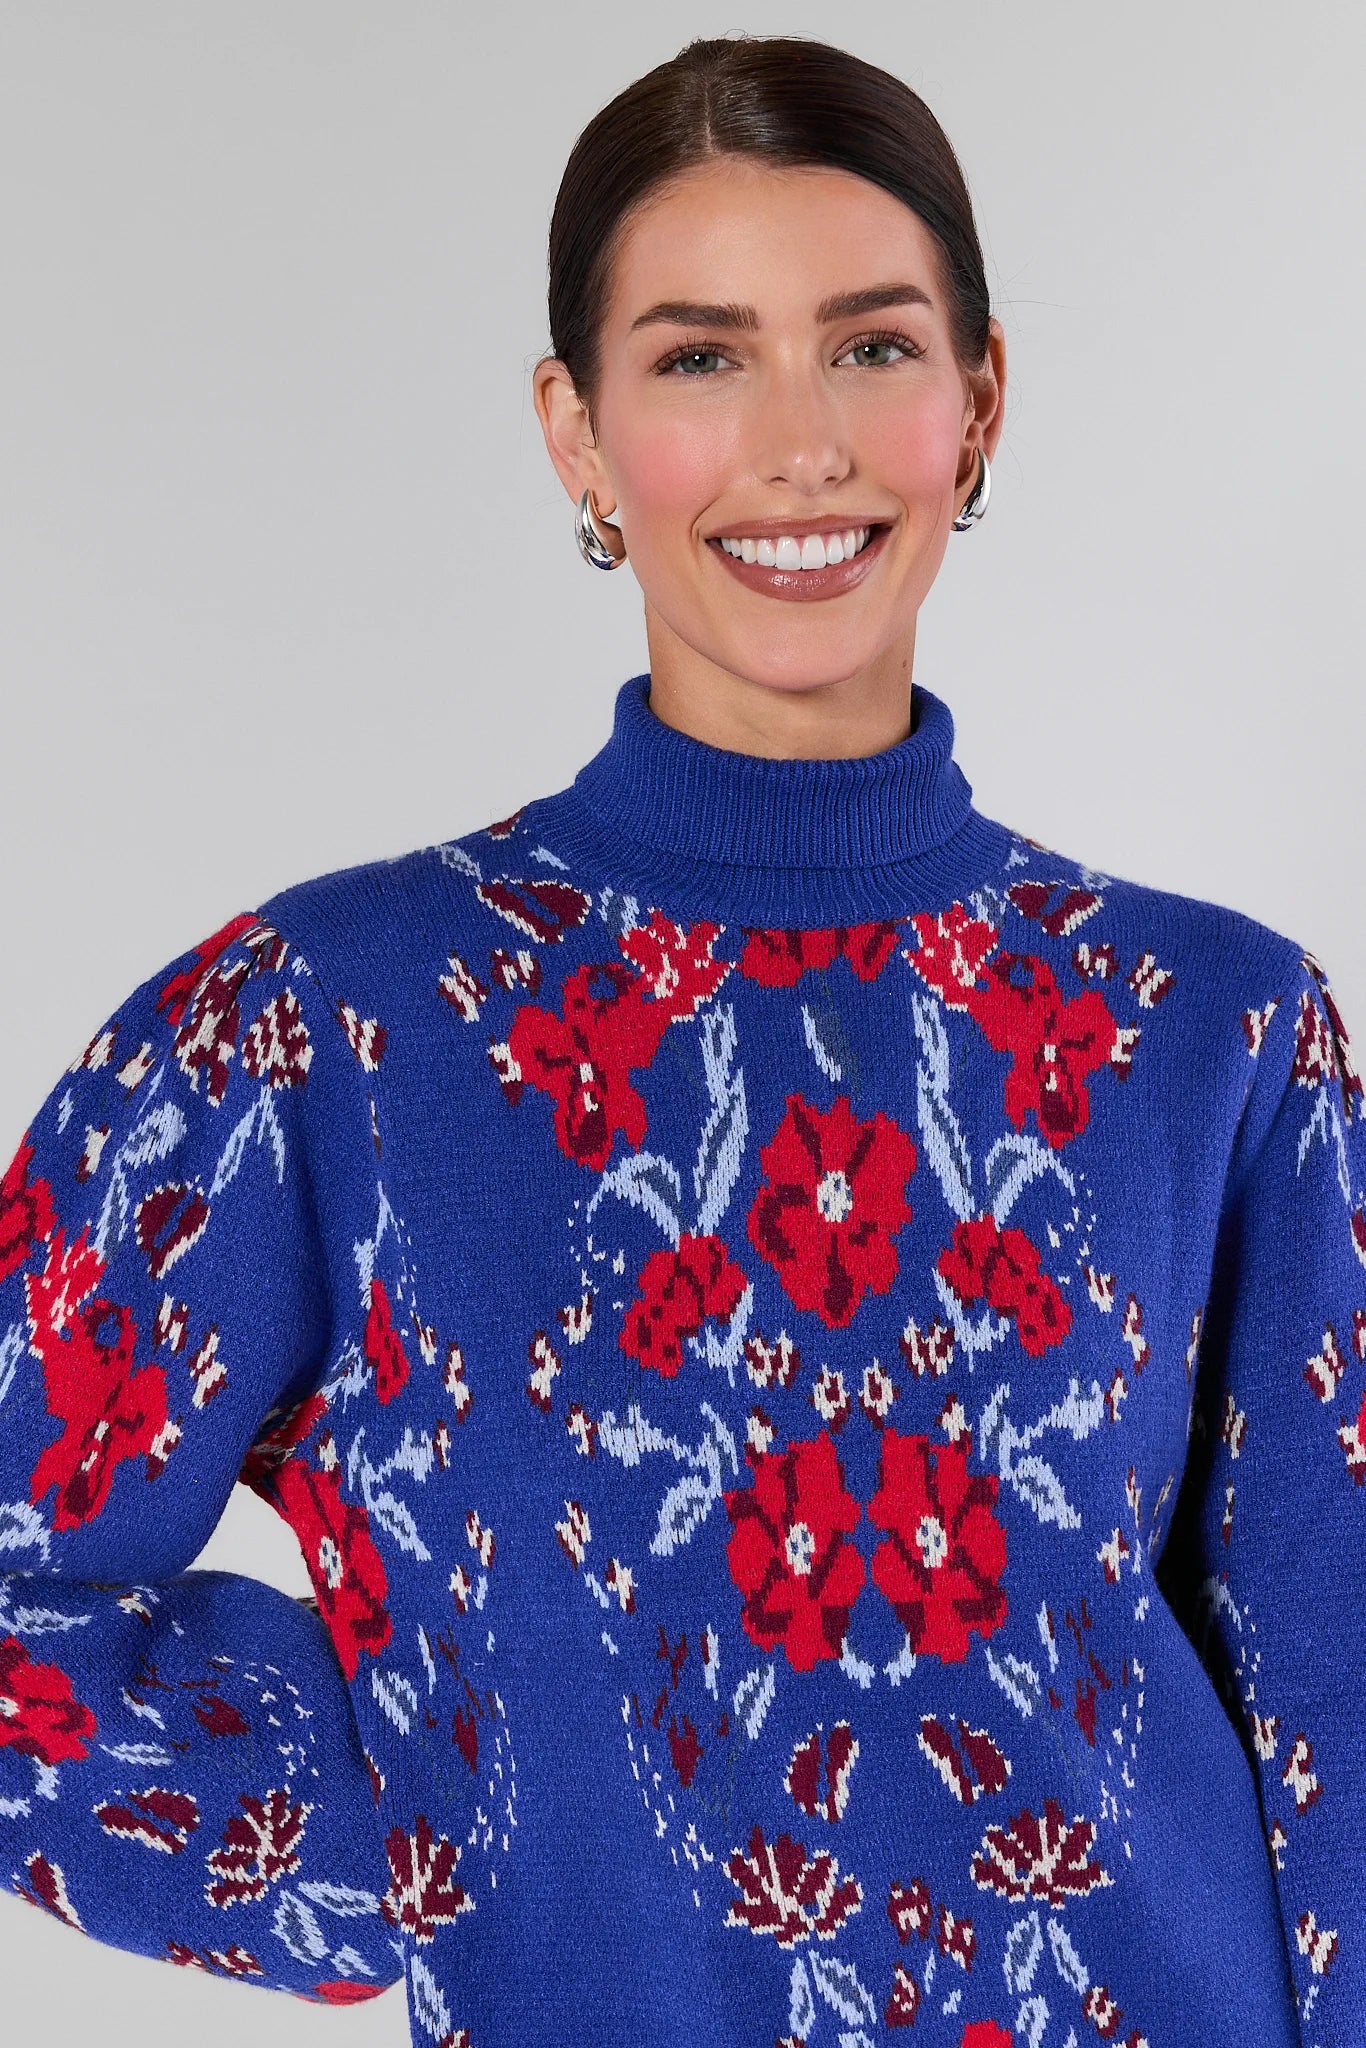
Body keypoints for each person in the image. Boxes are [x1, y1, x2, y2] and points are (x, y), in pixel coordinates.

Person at [1, 31, 1361, 2048]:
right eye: (700, 357)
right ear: (573, 429)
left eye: (873, 347)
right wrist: (441, 1832)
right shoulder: (328, 1026)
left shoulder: (1213, 1030)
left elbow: (1337, 1687)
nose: (796, 443)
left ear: (977, 404)